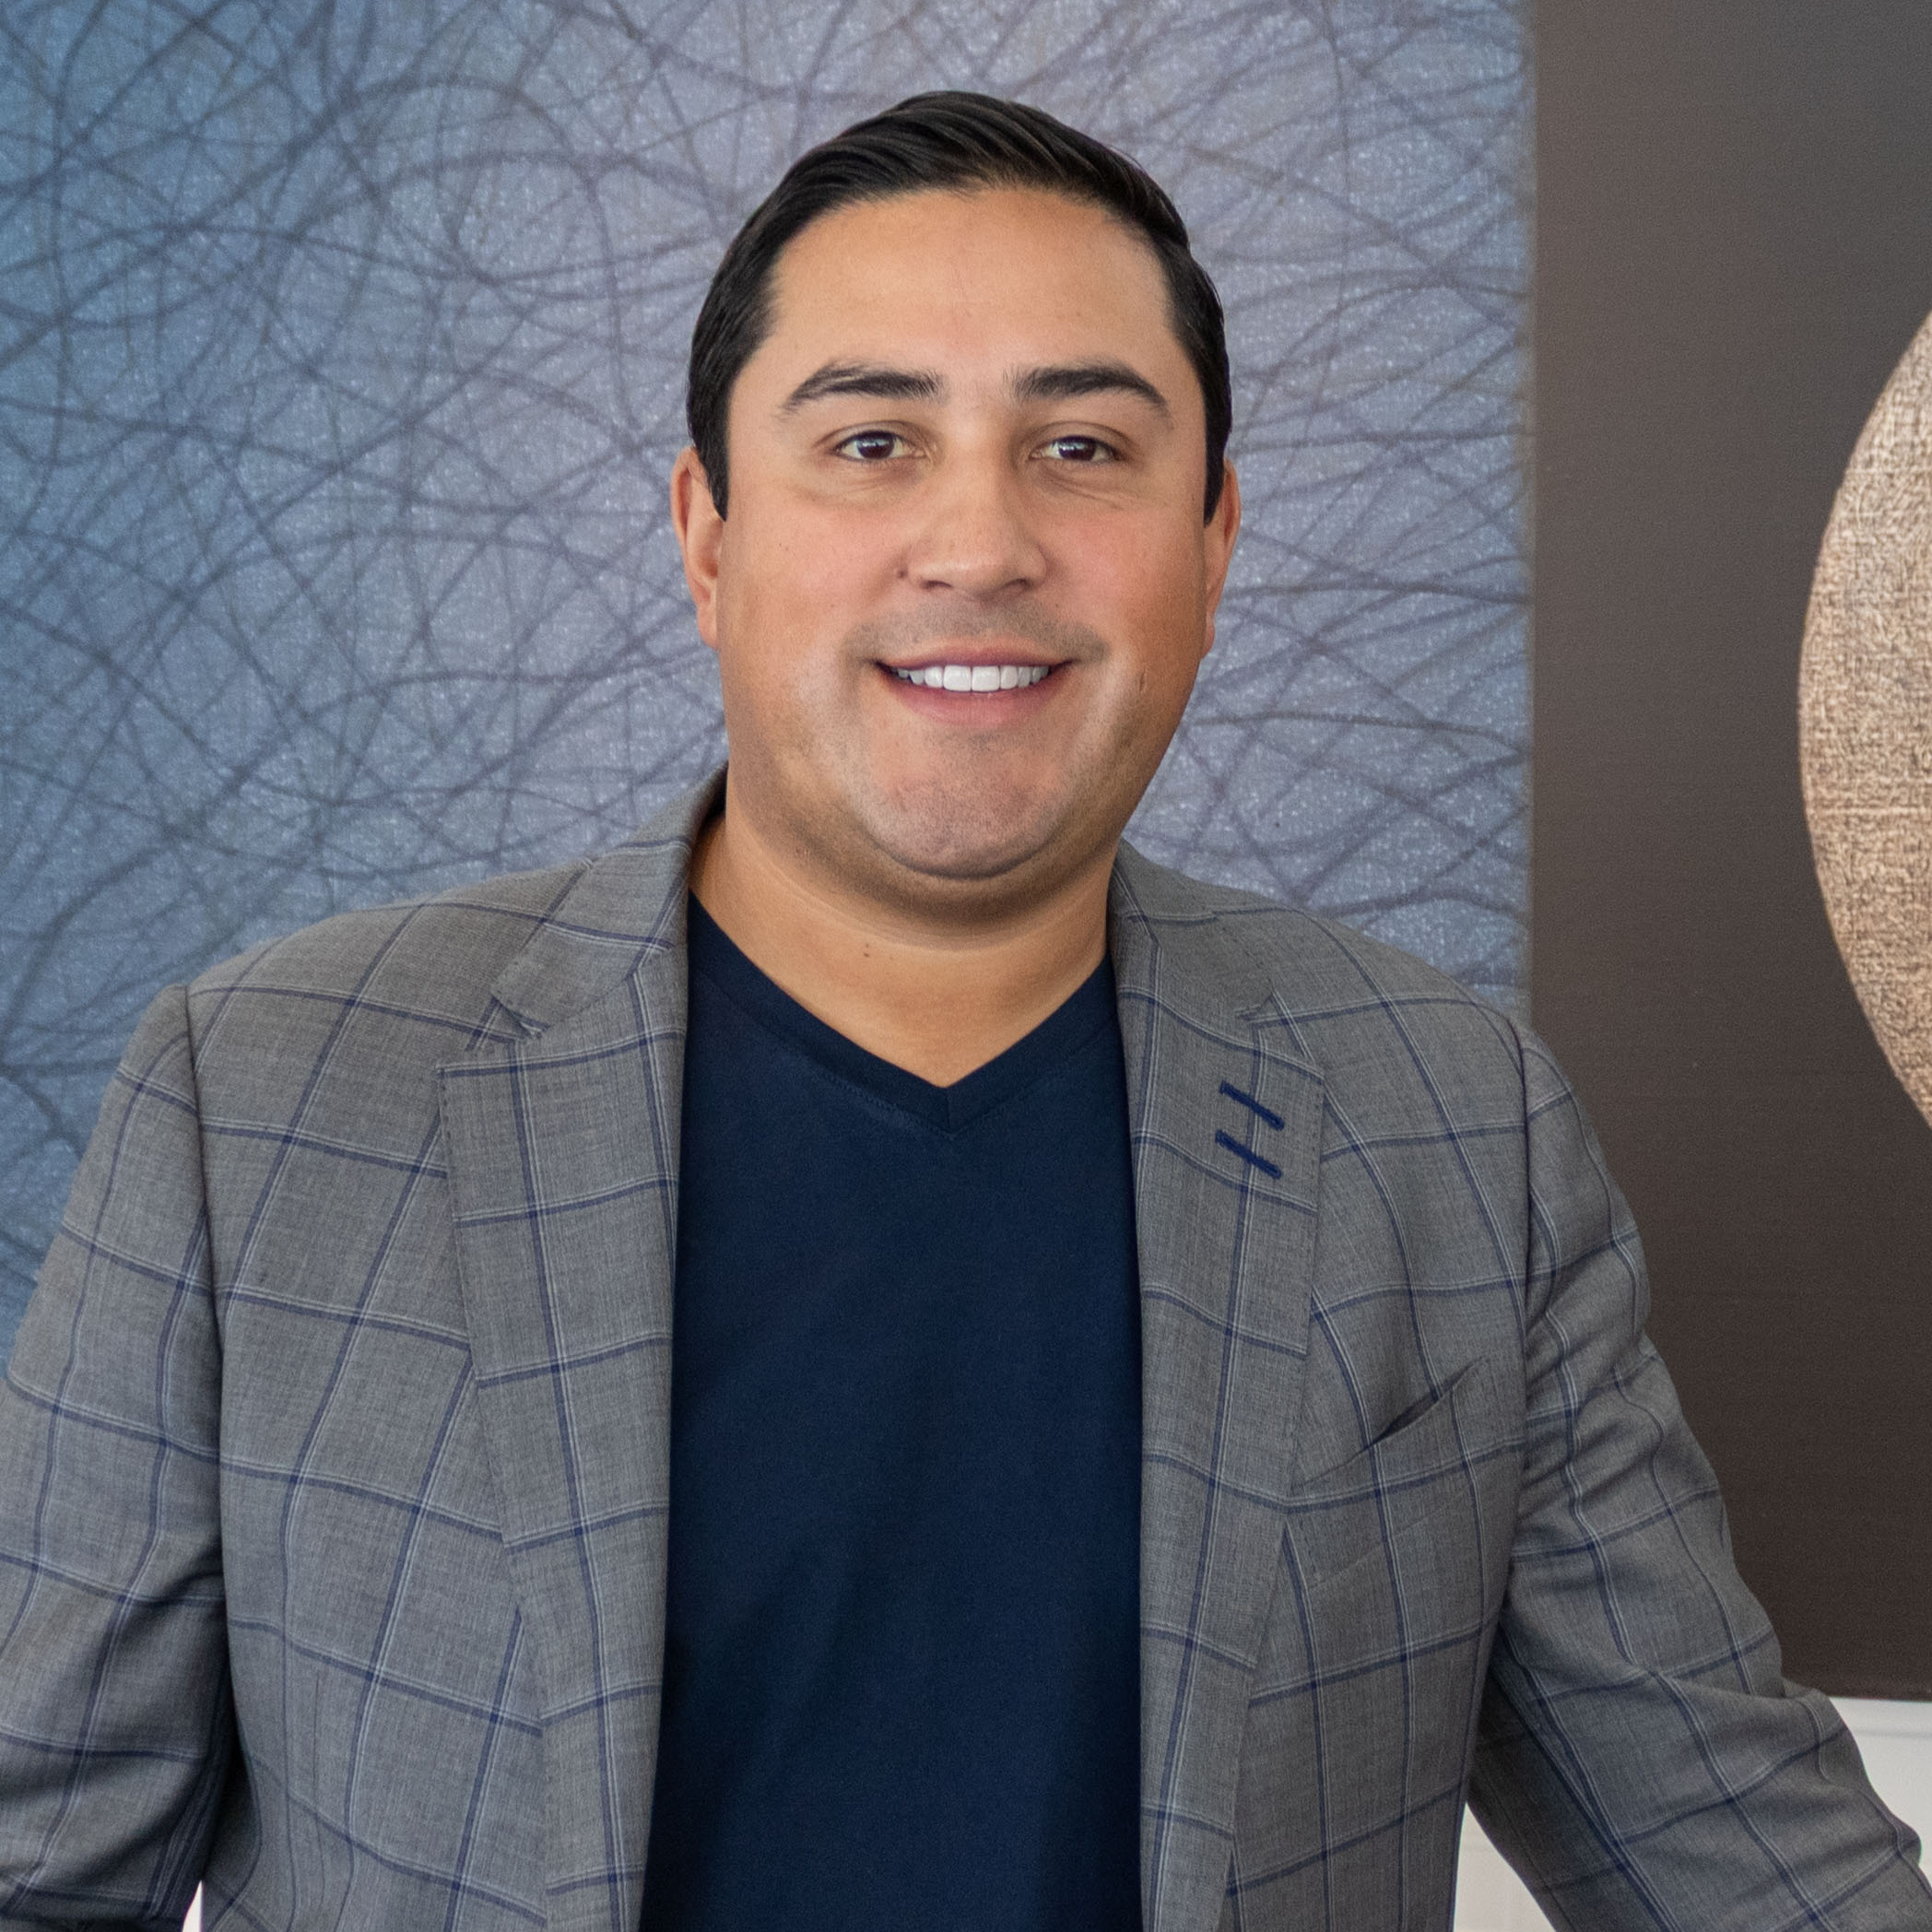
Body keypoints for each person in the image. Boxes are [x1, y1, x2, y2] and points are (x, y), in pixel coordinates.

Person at [0, 90, 1925, 1932]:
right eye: (872, 442)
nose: (983, 541)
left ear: (1214, 543)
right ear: (707, 536)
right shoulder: (265, 1101)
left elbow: (1740, 1857)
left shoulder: (1448, 1132)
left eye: (1081, 447)